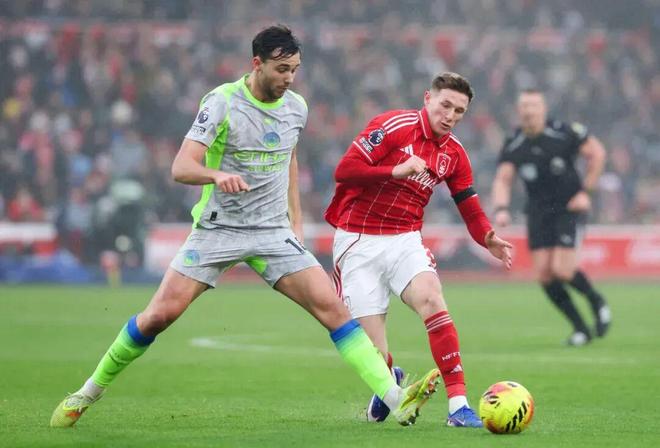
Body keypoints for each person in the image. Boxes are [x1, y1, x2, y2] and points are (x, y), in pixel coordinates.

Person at [50, 25, 439, 429]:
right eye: (282, 69)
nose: (289, 78)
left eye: (295, 70)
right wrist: (216, 175)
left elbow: (289, 158)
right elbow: (181, 167)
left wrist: (296, 220)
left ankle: (396, 399)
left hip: (272, 233)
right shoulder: (222, 102)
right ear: (257, 64)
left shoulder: (297, 108)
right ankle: (87, 392)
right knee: (158, 317)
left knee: (335, 311)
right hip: (218, 230)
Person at [325, 72, 513, 427]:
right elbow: (345, 170)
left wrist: (486, 236)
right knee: (372, 353)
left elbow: (468, 204)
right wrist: (395, 170)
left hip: (405, 239)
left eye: (459, 111)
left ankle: (458, 406)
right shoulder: (393, 126)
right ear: (428, 98)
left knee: (432, 299)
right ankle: (388, 381)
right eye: (445, 105)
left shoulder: (454, 153)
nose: (450, 116)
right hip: (357, 240)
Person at [491, 89, 611, 346]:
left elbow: (598, 153)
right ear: (519, 110)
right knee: (545, 275)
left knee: (562, 269)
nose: (528, 111)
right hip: (537, 212)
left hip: (568, 208)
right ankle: (581, 329)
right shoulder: (514, 142)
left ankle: (597, 301)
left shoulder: (563, 132)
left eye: (534, 105)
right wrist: (501, 208)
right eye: (524, 106)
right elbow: (503, 178)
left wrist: (585, 192)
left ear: (543, 109)